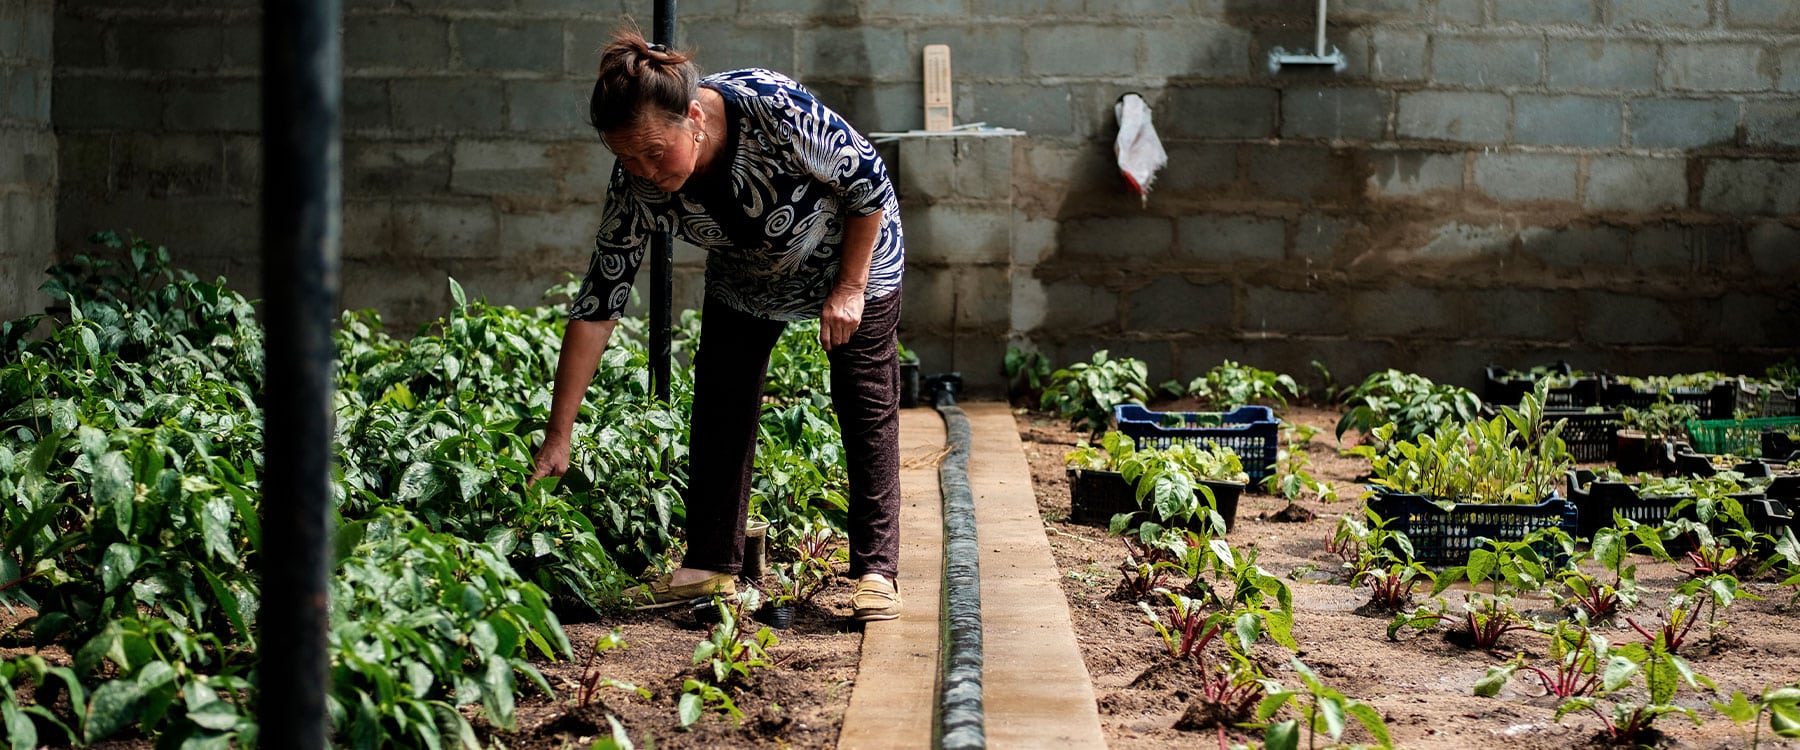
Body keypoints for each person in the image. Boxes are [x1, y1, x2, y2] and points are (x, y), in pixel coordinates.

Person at [529, 29, 906, 622]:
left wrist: (851, 288)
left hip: (851, 253)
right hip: (748, 276)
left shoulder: (771, 108)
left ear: (695, 117)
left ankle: (875, 571)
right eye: (625, 157)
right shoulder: (634, 185)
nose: (645, 170)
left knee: (863, 398)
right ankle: (709, 566)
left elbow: (868, 183)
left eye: (655, 152)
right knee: (721, 403)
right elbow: (600, 301)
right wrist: (559, 433)